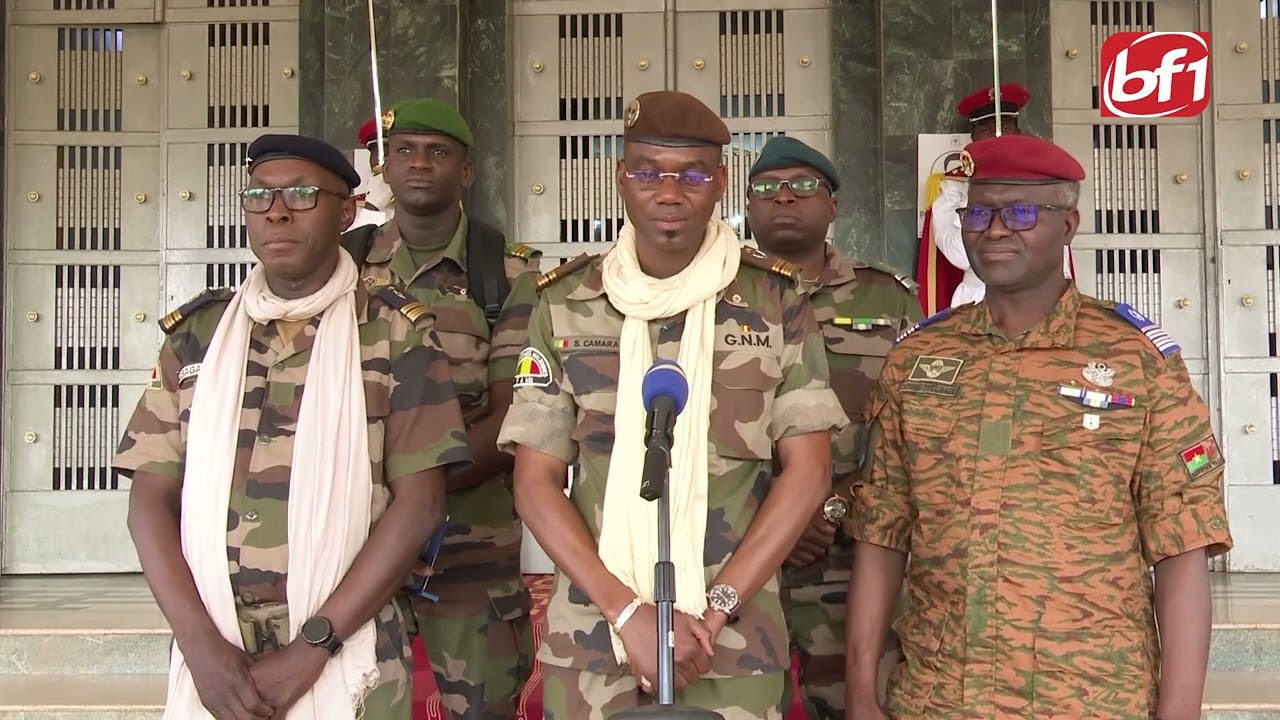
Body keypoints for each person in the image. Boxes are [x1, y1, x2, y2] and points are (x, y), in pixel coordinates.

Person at [846, 133, 1233, 720]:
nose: (995, 229)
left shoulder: (1138, 361)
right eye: (978, 211)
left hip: (1090, 699)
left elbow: (1182, 548)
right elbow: (881, 532)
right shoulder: (918, 360)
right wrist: (859, 696)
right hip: (938, 697)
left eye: (1021, 212)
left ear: (1069, 224)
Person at [496, 90, 849, 719]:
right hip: (595, 633)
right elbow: (535, 481)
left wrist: (716, 610)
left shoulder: (775, 302)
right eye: (647, 172)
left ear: (719, 181)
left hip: (731, 636)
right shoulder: (566, 301)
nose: (668, 192)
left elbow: (809, 471)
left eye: (690, 175)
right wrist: (628, 614)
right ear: (619, 178)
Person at [114, 133, 474, 720]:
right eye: (259, 196)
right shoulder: (199, 335)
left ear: (348, 212)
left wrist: (313, 648)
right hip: (215, 655)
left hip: (347, 653)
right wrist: (201, 648)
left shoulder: (394, 333)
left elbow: (421, 507)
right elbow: (149, 499)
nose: (277, 211)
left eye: (303, 195)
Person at [351, 96, 542, 720]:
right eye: (404, 151)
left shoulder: (508, 273)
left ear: (466, 170)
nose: (419, 164)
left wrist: (416, 492)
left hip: (470, 549)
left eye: (439, 152)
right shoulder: (345, 265)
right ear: (385, 166)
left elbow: (512, 413)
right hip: (357, 542)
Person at [745, 136, 922, 720]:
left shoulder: (889, 299)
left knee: (857, 702)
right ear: (747, 207)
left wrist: (831, 509)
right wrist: (776, 516)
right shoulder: (718, 294)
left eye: (804, 186)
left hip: (852, 556)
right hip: (740, 552)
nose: (785, 198)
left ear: (833, 206)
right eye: (767, 189)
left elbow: (914, 426)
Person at [916, 83, 1076, 313]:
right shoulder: (952, 188)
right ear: (972, 138)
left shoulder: (1041, 186)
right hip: (975, 304)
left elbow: (1057, 259)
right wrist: (977, 193)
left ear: (1018, 133)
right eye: (987, 130)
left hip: (1039, 306)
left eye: (1005, 127)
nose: (998, 136)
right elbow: (960, 255)